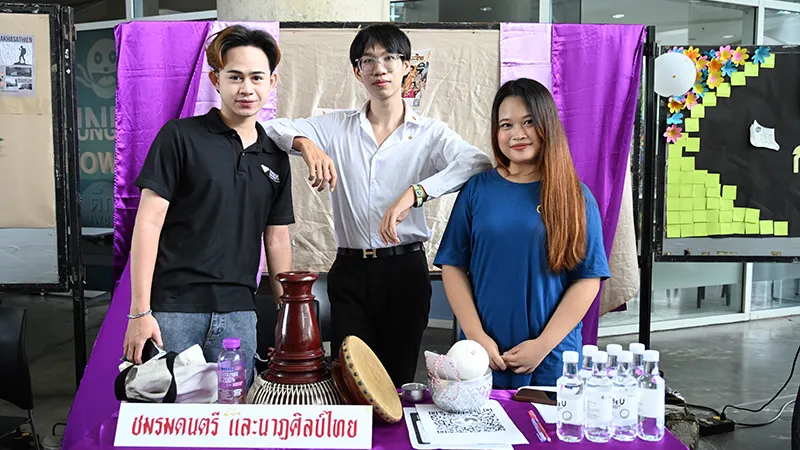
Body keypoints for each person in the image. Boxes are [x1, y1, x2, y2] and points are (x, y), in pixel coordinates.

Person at [262, 24, 493, 387]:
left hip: (405, 271)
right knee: (349, 381)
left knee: (397, 383)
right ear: (357, 71)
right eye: (368, 60)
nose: (379, 68)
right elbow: (270, 128)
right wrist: (307, 144)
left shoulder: (429, 133)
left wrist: (416, 193)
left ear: (407, 66)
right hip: (350, 271)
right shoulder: (336, 127)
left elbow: (477, 163)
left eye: (389, 58)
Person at [123, 25, 294, 389]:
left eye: (256, 77)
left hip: (239, 314)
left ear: (272, 82)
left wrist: (286, 315)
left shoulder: (276, 157)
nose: (246, 88)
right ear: (216, 80)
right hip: (173, 310)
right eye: (235, 77)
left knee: (236, 416)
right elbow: (148, 223)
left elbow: (277, 238)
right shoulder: (179, 136)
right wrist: (139, 311)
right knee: (166, 416)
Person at [434, 78, 611, 389]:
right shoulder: (477, 190)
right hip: (483, 354)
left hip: (550, 356)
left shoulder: (574, 196)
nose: (517, 134)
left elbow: (587, 279)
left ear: (547, 125)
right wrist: (476, 336)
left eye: (528, 122)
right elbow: (453, 266)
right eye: (506, 125)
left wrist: (542, 346)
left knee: (545, 422)